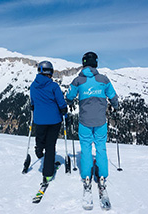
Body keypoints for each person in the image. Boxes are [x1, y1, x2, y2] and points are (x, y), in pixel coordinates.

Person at [65, 52, 118, 204]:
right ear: (96, 64)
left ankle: (86, 176)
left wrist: (68, 103)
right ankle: (102, 175)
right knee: (101, 147)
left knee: (86, 148)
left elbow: (69, 97)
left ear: (83, 64)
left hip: (84, 122)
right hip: (101, 121)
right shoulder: (103, 79)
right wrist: (115, 106)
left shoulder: (78, 80)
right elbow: (113, 97)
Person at [30, 60, 67, 183]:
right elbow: (61, 102)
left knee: (41, 137)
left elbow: (33, 102)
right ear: (50, 72)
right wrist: (64, 110)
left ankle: (39, 148)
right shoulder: (54, 86)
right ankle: (48, 173)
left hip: (39, 119)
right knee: (51, 146)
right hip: (54, 120)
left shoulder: (33, 86)